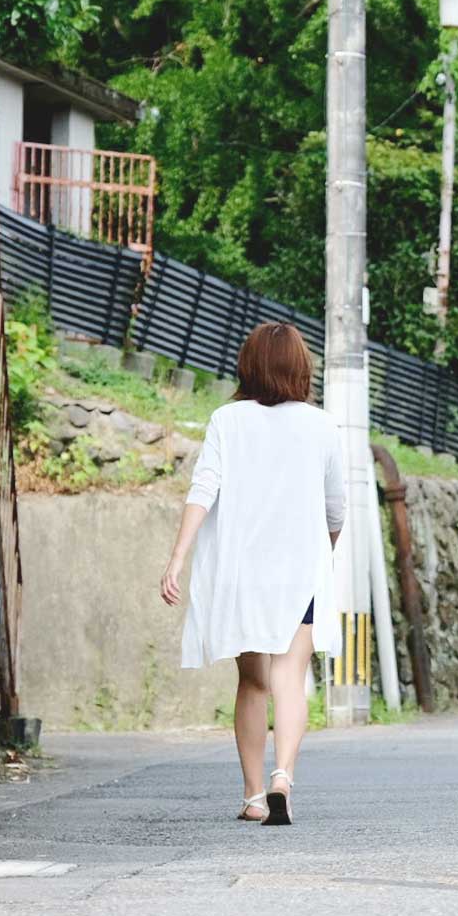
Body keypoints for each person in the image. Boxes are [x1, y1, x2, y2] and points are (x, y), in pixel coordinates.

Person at [160, 323, 345, 826]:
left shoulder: (227, 419)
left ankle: (252, 796)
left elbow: (203, 489)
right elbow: (336, 511)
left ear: (250, 365)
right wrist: (320, 559)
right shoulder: (323, 426)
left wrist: (178, 557)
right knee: (289, 675)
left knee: (252, 682)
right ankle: (283, 774)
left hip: (241, 572)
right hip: (298, 571)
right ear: (301, 369)